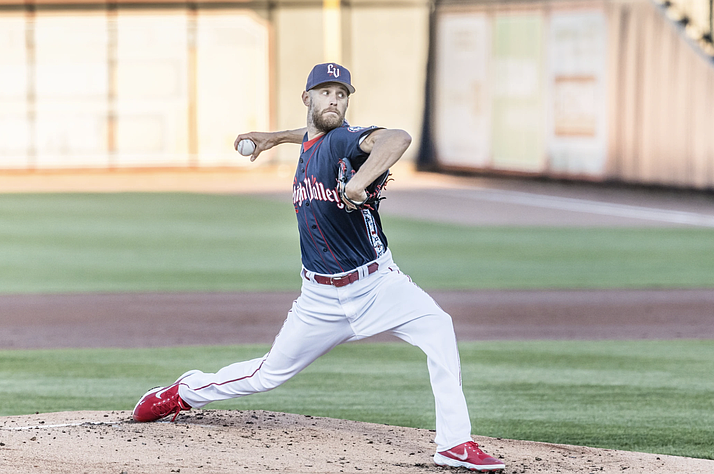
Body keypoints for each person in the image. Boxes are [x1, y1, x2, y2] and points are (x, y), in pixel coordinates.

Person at [132, 62, 506, 472]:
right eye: (326, 91)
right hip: (320, 299)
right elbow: (308, 135)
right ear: (307, 98)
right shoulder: (314, 143)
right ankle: (185, 391)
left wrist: (360, 180)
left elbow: (398, 138)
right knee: (267, 375)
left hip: (379, 285)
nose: (335, 99)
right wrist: (274, 138)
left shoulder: (346, 140)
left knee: (439, 328)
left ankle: (454, 444)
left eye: (342, 94)